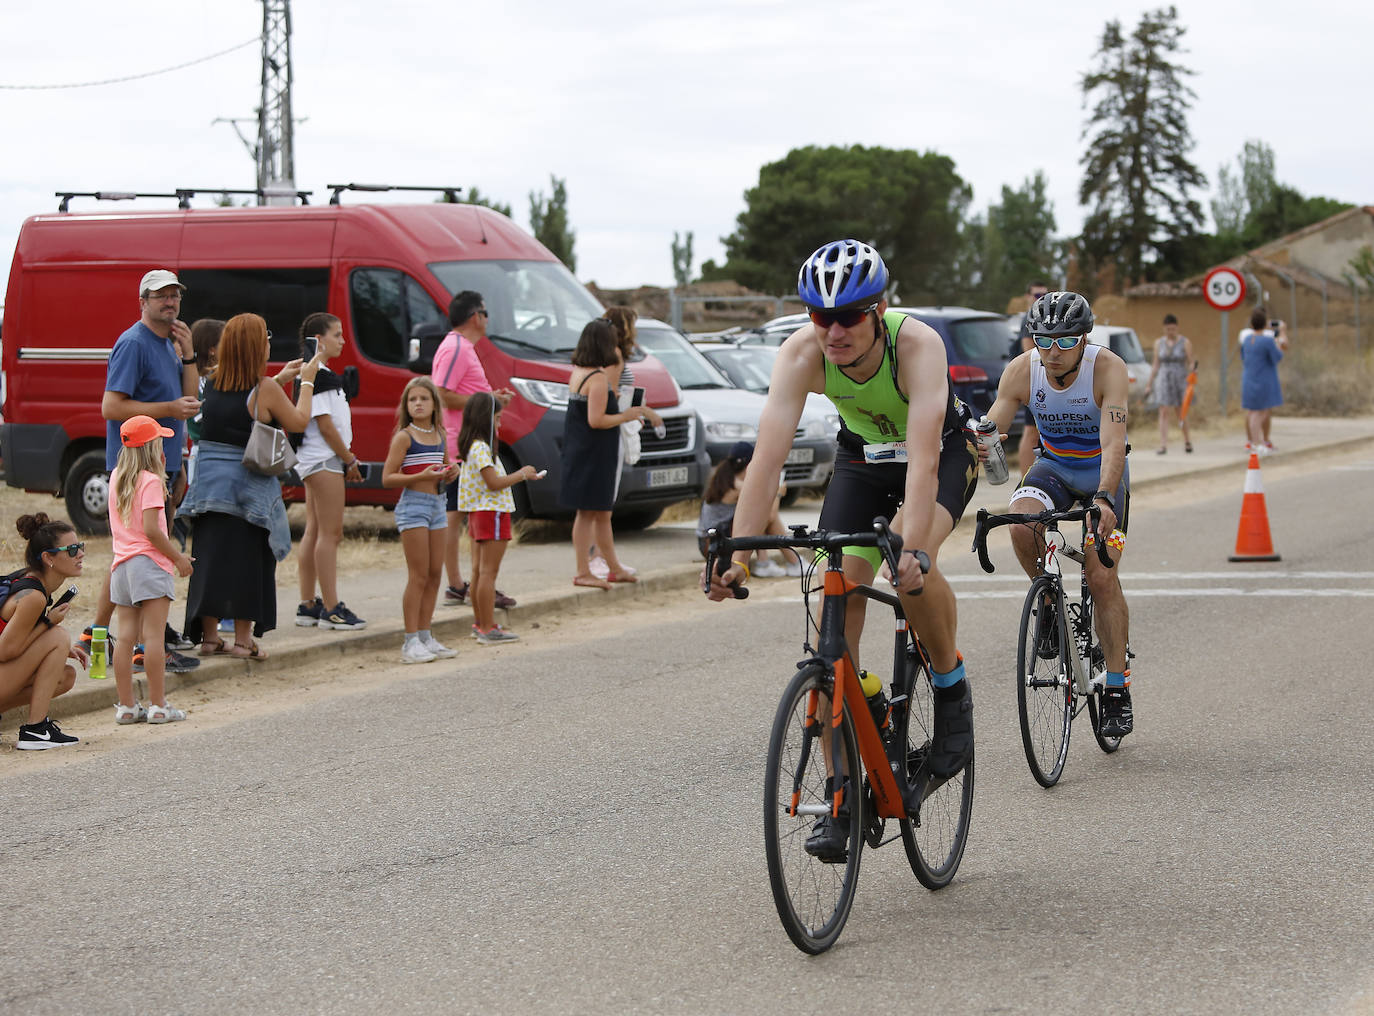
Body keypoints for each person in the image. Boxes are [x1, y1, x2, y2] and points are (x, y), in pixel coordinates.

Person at [706, 239, 978, 859]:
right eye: (821, 316)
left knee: (909, 571)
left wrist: (911, 546)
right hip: (862, 464)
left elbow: (926, 457)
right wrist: (737, 553)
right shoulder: (801, 353)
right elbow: (767, 460)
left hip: (936, 455)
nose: (834, 331)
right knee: (839, 596)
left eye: (849, 315)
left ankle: (950, 682)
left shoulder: (918, 346)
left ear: (878, 310)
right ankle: (844, 790)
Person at [982, 290, 1135, 737]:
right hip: (1053, 467)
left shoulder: (1107, 368)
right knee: (1020, 520)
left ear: (1085, 339)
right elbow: (994, 431)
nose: (1053, 351)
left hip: (1102, 473)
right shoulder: (1021, 371)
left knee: (1102, 576)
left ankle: (1116, 687)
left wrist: (1104, 498)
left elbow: (1113, 444)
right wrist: (976, 450)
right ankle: (1048, 600)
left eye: (1066, 341)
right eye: (1044, 340)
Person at [181, 313, 320, 660]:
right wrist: (306, 382)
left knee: (210, 562)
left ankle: (210, 638)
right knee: (248, 563)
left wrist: (279, 378)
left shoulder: (211, 383)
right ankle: (243, 642)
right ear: (258, 346)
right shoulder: (265, 389)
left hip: (209, 490)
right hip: (247, 494)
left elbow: (241, 404)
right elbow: (298, 419)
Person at [86, 269, 203, 674]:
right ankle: (142, 643)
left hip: (164, 461)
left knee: (130, 555)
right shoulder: (134, 343)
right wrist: (168, 411)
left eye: (175, 296)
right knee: (145, 553)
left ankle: (99, 631)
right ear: (142, 301)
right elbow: (111, 408)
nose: (170, 302)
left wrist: (188, 354)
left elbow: (189, 400)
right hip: (135, 463)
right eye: (160, 296)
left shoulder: (170, 341)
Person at [430, 291, 517, 610]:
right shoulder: (455, 347)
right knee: (454, 518)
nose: (488, 319)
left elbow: (462, 393)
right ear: (474, 317)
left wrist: (491, 398)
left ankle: (473, 583)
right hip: (458, 448)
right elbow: (440, 394)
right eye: (486, 312)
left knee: (466, 516)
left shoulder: (462, 348)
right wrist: (489, 401)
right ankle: (458, 584)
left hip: (467, 447)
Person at [108, 416, 195, 725]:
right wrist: (178, 558)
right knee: (154, 637)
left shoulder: (117, 476)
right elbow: (152, 531)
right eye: (160, 441)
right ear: (151, 447)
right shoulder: (151, 481)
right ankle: (159, 705)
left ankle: (127, 706)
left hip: (121, 565)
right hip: (149, 563)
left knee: (126, 637)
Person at [562, 319, 652, 590]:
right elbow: (597, 420)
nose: (616, 347)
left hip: (582, 450)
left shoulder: (579, 371)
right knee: (591, 513)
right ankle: (583, 570)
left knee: (599, 513)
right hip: (595, 453)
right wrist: (627, 415)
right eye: (613, 342)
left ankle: (612, 567)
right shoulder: (598, 378)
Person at [293, 312, 366, 632]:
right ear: (318, 341)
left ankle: (309, 603)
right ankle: (333, 608)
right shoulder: (318, 375)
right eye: (337, 334)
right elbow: (325, 426)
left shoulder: (317, 373)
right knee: (330, 534)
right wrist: (349, 459)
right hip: (324, 461)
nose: (342, 340)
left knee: (314, 530)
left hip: (315, 461)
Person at [382, 377, 462, 664]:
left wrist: (449, 473)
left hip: (437, 505)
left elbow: (439, 469)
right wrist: (421, 476)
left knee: (434, 574)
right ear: (406, 405)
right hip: (413, 507)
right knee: (417, 575)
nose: (418, 403)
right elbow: (388, 477)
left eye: (423, 399)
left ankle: (426, 635)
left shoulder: (439, 434)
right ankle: (410, 640)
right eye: (412, 399)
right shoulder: (404, 436)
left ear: (434, 404)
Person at [455, 391, 542, 645]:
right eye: (498, 419)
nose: (500, 424)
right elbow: (493, 483)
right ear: (486, 419)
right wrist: (522, 474)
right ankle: (487, 627)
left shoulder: (473, 446)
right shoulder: (481, 448)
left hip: (479, 513)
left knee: (479, 572)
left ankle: (481, 624)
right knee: (488, 574)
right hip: (491, 512)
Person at [0, 513, 88, 749]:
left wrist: (53, 649)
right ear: (48, 557)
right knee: (58, 636)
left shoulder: (35, 584)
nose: (80, 554)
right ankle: (35, 731)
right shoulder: (34, 597)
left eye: (80, 546)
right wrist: (48, 623)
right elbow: (5, 650)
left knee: (65, 676)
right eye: (71, 550)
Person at [695, 442, 802, 577]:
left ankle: (768, 562)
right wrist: (778, 494)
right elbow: (770, 516)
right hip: (714, 544)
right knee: (761, 516)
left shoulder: (726, 479)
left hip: (711, 540)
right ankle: (792, 563)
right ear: (749, 466)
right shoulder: (737, 486)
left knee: (755, 515)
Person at [1238, 307, 1288, 455]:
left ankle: (1254, 441)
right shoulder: (1267, 341)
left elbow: (1243, 357)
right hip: (1264, 379)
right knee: (1261, 412)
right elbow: (1277, 357)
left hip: (1249, 378)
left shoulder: (1247, 339)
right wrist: (1281, 337)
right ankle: (1257, 442)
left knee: (1253, 411)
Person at [1012, 280, 1049, 475]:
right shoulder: (1030, 317)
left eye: (1044, 294)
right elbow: (1030, 353)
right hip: (1034, 382)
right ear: (1028, 297)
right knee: (1031, 431)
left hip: (1041, 382)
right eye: (1036, 295)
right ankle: (1025, 480)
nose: (1040, 298)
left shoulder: (1041, 317)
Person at [185, 318, 226, 487]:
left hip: (210, 453)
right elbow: (199, 417)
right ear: (212, 350)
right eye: (225, 342)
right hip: (205, 453)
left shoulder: (219, 376)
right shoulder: (197, 379)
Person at [1146, 313, 1195, 454]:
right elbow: (1156, 363)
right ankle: (1163, 444)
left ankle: (1187, 441)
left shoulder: (1185, 342)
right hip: (1163, 378)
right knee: (1163, 411)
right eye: (1168, 329)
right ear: (1164, 329)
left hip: (1180, 378)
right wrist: (1149, 383)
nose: (1170, 332)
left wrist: (1193, 371)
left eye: (1173, 329)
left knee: (1181, 411)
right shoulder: (1158, 343)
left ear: (1177, 328)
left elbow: (1190, 361)